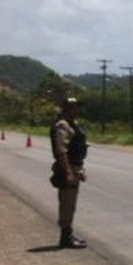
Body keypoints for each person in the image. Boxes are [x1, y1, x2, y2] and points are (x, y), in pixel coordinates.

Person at [49, 97, 88, 249]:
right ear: (65, 108)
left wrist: (80, 170)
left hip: (75, 166)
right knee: (67, 203)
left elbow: (77, 147)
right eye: (73, 107)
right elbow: (61, 151)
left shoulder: (73, 124)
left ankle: (69, 234)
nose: (76, 110)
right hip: (68, 167)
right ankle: (65, 238)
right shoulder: (63, 126)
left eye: (77, 107)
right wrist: (68, 172)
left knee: (71, 204)